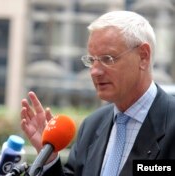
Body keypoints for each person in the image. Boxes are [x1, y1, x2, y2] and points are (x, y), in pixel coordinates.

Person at [20, 11, 175, 176]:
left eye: (108, 58)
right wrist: (49, 157)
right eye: (91, 60)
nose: (95, 71)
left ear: (143, 56)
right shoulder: (92, 126)